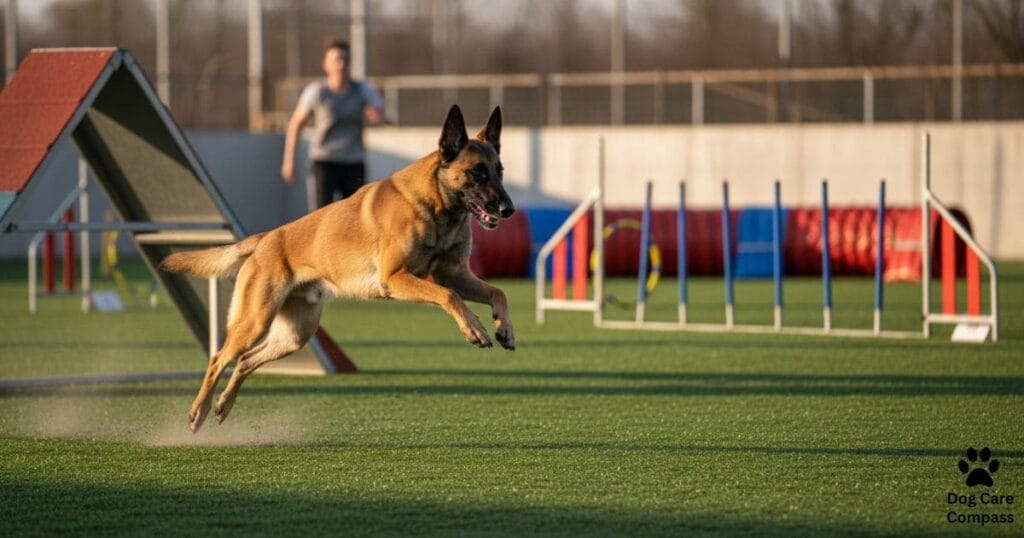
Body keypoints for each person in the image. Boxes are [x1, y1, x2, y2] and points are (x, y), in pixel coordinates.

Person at [281, 39, 385, 209]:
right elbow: (296, 124)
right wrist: (288, 161)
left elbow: (379, 113)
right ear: (326, 65)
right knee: (321, 216)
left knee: (355, 215)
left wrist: (376, 114)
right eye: (337, 60)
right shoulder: (317, 91)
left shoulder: (362, 89)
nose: (341, 65)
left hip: (353, 161)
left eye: (345, 59)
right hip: (324, 161)